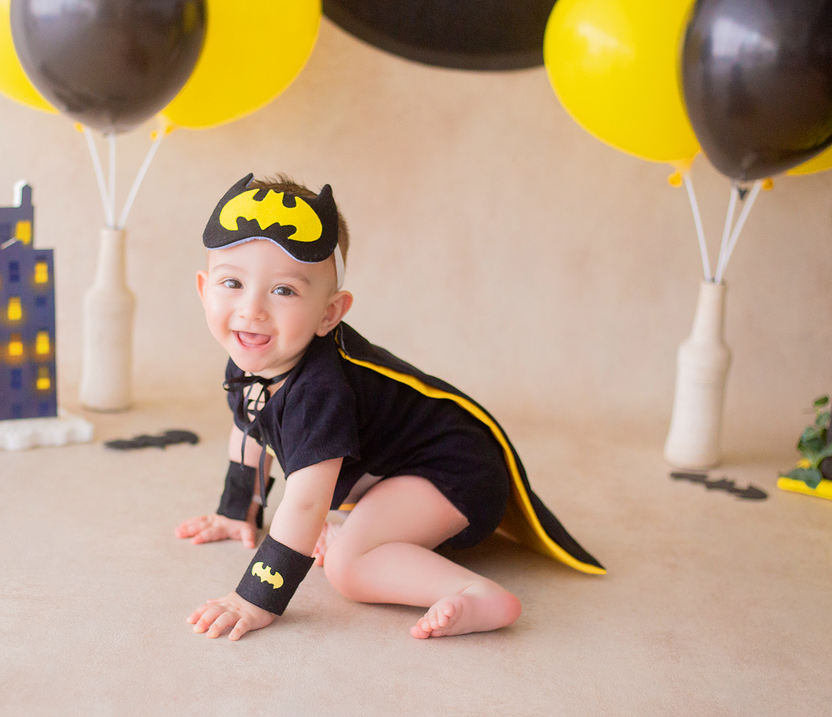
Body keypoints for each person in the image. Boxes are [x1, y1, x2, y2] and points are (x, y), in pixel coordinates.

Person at [176, 174, 602, 641]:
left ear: (330, 313)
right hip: (399, 472)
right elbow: (251, 424)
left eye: (284, 291)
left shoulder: (319, 389)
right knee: (332, 532)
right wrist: (238, 509)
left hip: (453, 471)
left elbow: (306, 501)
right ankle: (367, 523)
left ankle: (478, 593)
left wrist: (254, 599)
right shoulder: (252, 357)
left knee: (347, 566)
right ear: (203, 289)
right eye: (232, 282)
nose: (251, 309)